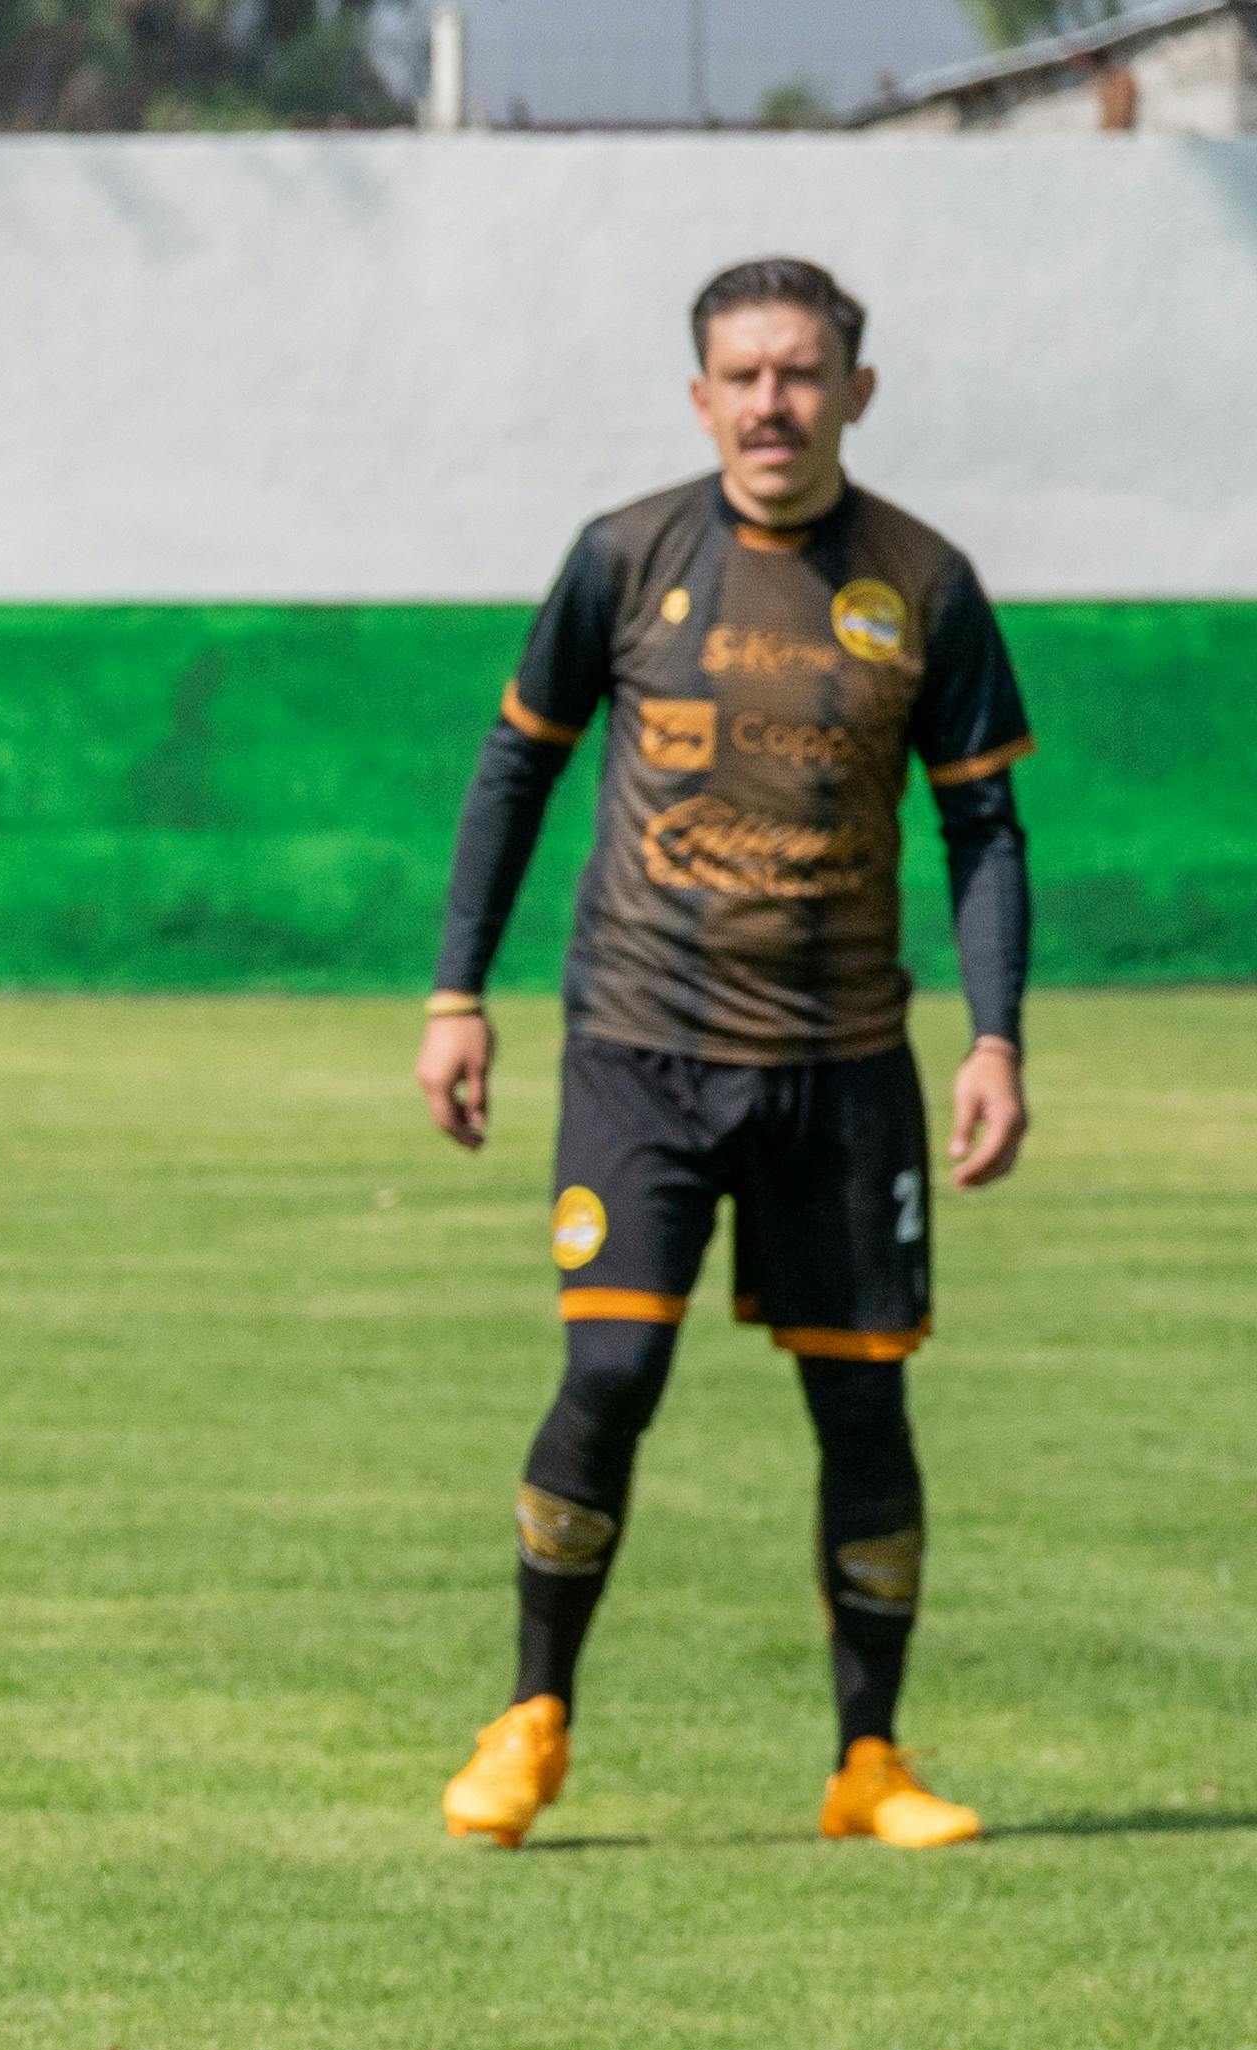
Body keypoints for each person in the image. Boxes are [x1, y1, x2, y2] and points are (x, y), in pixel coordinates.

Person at [421, 257, 1033, 1852]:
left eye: (804, 373)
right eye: (744, 376)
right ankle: (533, 1715)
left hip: (843, 1070)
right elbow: (514, 770)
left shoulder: (929, 582)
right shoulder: (624, 560)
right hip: (643, 1053)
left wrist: (997, 1037)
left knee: (863, 1412)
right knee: (612, 1370)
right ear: (701, 399)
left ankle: (871, 1763)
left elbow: (983, 826)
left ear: (856, 392)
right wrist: (454, 996)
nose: (774, 402)